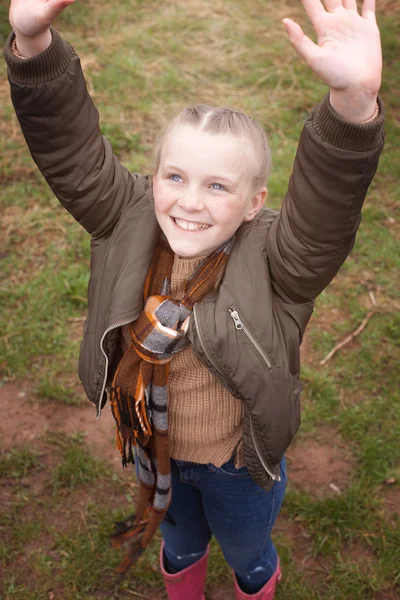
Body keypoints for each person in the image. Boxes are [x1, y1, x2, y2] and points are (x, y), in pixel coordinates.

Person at [4, 0, 384, 598]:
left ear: (254, 202)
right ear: (152, 178)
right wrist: (32, 44)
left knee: (244, 548)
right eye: (175, 177)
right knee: (178, 541)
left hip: (237, 466)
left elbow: (324, 216)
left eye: (217, 186)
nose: (189, 202)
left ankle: (255, 579)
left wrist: (354, 105)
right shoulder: (125, 218)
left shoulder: (279, 265)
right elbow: (69, 151)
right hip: (153, 450)